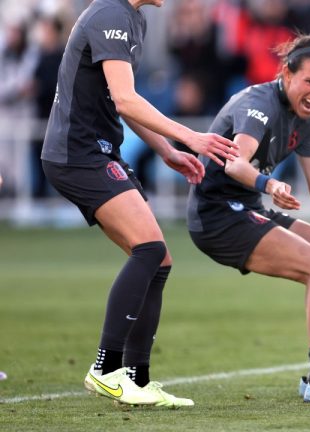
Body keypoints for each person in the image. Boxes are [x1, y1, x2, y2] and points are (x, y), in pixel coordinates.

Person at [41, 0, 238, 407]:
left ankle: (136, 379)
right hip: (78, 154)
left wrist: (165, 150)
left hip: (94, 151)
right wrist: (193, 138)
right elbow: (128, 100)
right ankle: (105, 369)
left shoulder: (132, 17)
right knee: (149, 249)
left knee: (158, 260)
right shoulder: (112, 15)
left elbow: (118, 99)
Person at [186, 35, 310, 404]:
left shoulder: (305, 119)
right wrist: (267, 183)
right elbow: (235, 161)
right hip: (216, 214)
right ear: (286, 74)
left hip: (248, 207)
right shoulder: (259, 104)